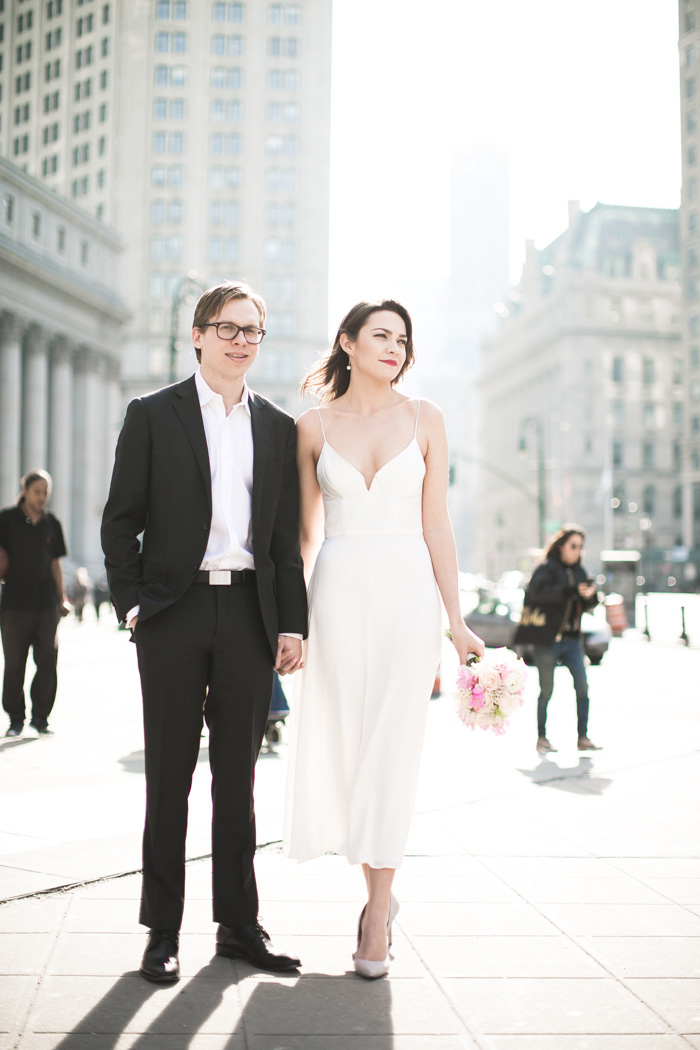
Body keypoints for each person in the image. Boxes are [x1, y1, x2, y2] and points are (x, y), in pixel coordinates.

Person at [101, 280, 308, 984]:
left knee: (239, 786)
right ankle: (162, 932)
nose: (242, 340)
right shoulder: (153, 414)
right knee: (168, 779)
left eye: (253, 330)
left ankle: (238, 927)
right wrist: (134, 603)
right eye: (229, 328)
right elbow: (119, 518)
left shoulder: (278, 427)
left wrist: (294, 626)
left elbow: (284, 541)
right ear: (198, 335)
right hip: (174, 615)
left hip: (250, 616)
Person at [283, 299, 484, 979]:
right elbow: (304, 536)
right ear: (348, 342)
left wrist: (457, 621)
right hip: (335, 593)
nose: (395, 347)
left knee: (392, 750)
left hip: (408, 596)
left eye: (403, 339)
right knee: (347, 749)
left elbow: (438, 527)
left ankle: (375, 914)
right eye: (381, 336)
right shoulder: (311, 427)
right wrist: (289, 619)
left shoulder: (427, 419)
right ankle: (381, 892)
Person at [513, 524, 601, 755]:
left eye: (580, 547)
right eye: (573, 546)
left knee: (582, 687)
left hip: (573, 641)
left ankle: (583, 737)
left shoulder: (580, 571)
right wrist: (570, 591)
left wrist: (590, 596)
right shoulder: (547, 568)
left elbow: (589, 604)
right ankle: (542, 738)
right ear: (561, 546)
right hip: (548, 640)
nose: (576, 551)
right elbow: (537, 593)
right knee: (546, 690)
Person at [0, 469, 70, 737]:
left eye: (45, 493)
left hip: (46, 604)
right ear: (25, 490)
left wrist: (62, 597)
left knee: (48, 659)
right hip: (13, 605)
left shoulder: (53, 523)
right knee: (15, 663)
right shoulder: (6, 519)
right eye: (37, 492)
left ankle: (41, 718)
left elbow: (56, 563)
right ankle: (15, 719)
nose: (42, 498)